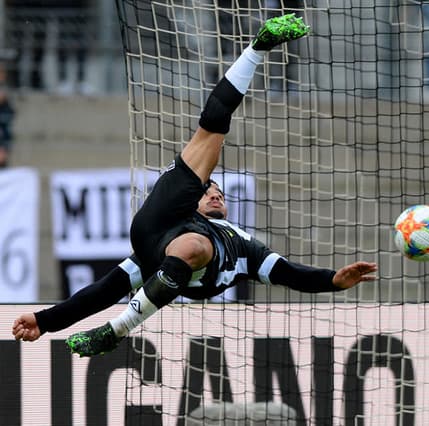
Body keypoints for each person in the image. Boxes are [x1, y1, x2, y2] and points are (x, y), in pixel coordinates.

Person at [12, 14, 378, 356]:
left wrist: (334, 280)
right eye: (208, 190)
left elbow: (291, 274)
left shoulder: (247, 248)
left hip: (188, 253)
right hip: (158, 223)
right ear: (199, 202)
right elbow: (103, 291)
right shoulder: (175, 220)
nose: (214, 191)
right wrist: (46, 321)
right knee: (213, 126)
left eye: (217, 190)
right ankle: (257, 45)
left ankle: (116, 331)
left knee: (194, 246)